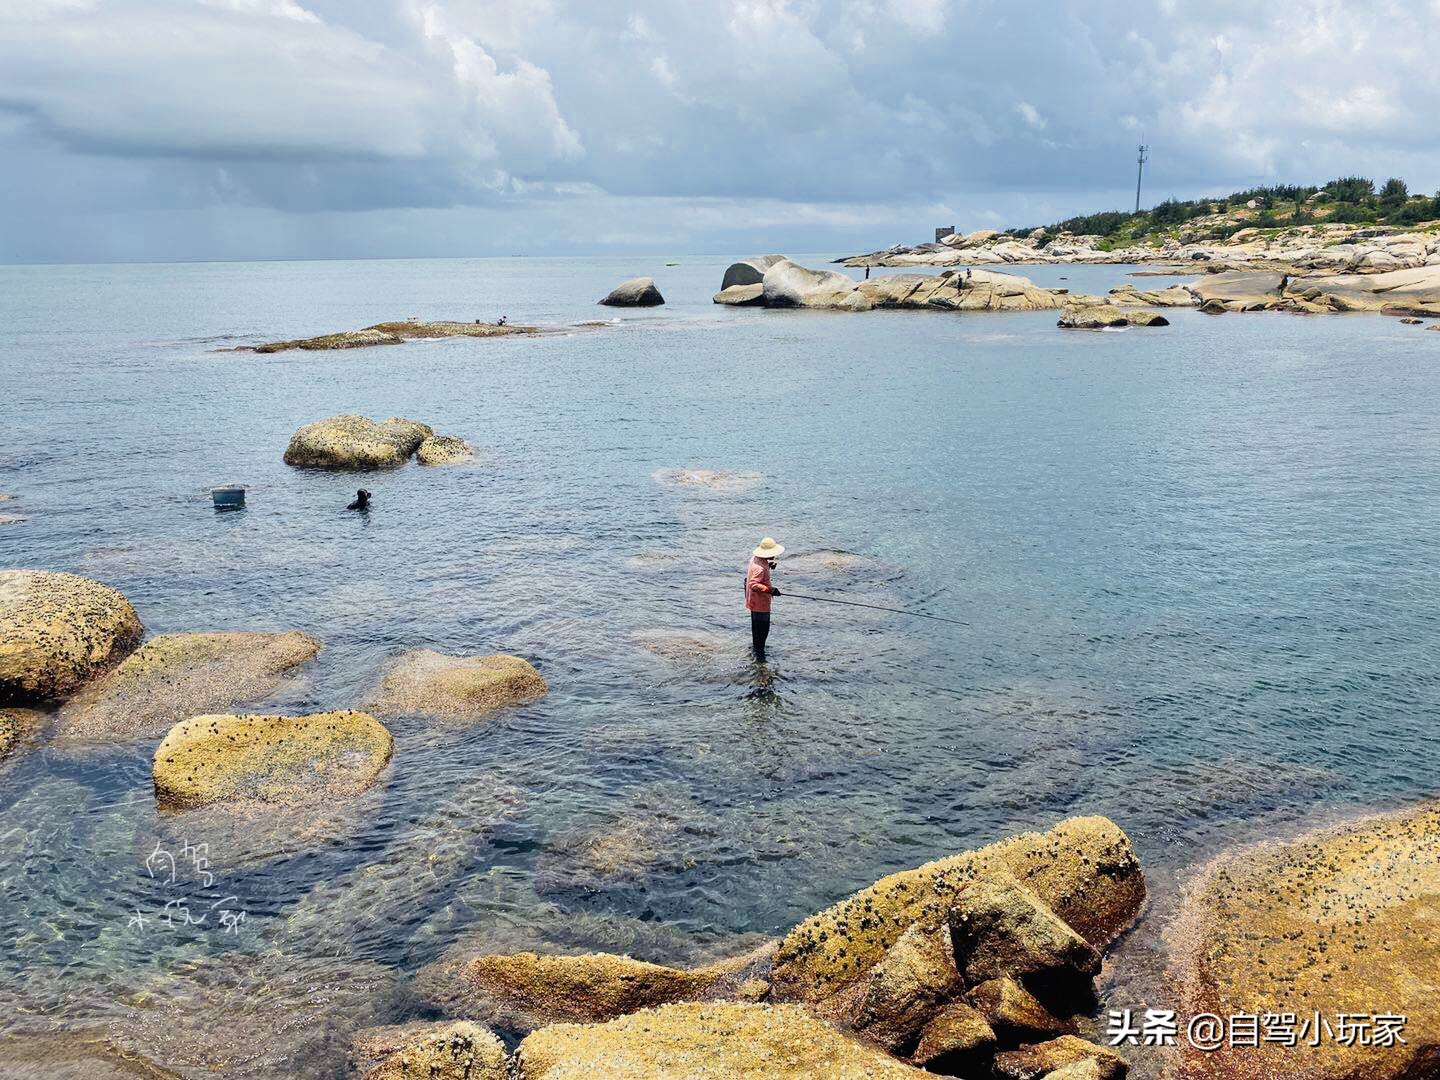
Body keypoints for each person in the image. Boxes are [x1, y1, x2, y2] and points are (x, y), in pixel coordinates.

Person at [745, 537, 784, 661]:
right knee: (762, 633)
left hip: (753, 601)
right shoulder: (760, 568)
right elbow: (753, 584)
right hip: (760, 605)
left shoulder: (755, 559)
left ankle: (756, 654)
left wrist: (768, 566)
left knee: (756, 633)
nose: (775, 555)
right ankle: (761, 661)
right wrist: (770, 590)